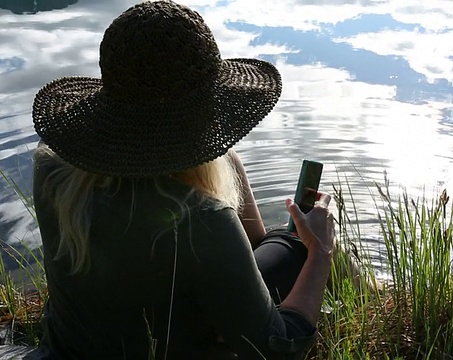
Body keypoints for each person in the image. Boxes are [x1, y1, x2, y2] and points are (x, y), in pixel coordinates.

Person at [30, 1, 335, 359]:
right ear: (208, 106)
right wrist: (321, 252)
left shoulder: (54, 170)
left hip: (70, 350)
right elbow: (276, 350)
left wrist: (224, 160)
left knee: (261, 219)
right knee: (296, 244)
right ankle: (310, 242)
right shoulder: (200, 220)